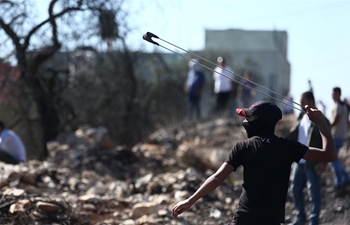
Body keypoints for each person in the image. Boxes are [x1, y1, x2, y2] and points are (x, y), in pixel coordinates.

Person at [172, 100, 336, 225]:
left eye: (249, 117)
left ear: (260, 122)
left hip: (245, 218)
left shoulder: (243, 147)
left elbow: (217, 178)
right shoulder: (289, 147)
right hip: (273, 220)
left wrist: (190, 201)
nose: (246, 121)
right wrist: (321, 122)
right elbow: (329, 155)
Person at [288, 91, 329, 225]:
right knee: (295, 190)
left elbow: (328, 143)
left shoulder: (320, 119)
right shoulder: (301, 116)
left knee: (314, 195)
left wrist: (324, 162)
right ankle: (301, 218)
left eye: (303, 102)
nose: (300, 105)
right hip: (299, 162)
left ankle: (313, 222)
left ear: (311, 102)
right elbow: (293, 135)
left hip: (313, 164)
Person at [329, 87, 350, 196]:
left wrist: (326, 126)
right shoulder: (344, 105)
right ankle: (344, 179)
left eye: (334, 93)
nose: (332, 95)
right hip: (341, 135)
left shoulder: (339, 106)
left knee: (333, 159)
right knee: (334, 159)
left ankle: (341, 181)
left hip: (336, 135)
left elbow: (336, 120)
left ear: (338, 94)